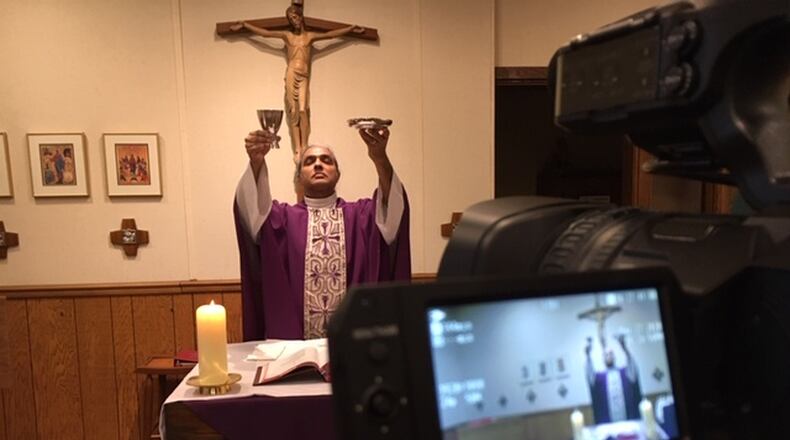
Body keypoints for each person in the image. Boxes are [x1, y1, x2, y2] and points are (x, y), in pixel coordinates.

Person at [233, 126, 410, 340]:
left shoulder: (361, 216)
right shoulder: (282, 220)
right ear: (299, 177)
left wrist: (379, 158)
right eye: (309, 162)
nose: (318, 164)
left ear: (337, 173)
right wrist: (256, 162)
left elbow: (393, 213)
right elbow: (251, 213)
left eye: (327, 160)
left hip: (351, 345)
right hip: (295, 348)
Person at [230, 3, 365, 165]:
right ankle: (298, 148)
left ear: (301, 18)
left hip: (304, 75)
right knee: (293, 111)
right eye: (291, 18)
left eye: (296, 17)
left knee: (303, 110)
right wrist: (246, 26)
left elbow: (330, 35)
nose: (295, 20)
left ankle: (304, 144)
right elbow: (266, 34)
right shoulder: (287, 37)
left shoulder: (310, 37)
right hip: (292, 73)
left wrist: (350, 29)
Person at [585, 334, 643, 423]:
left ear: (614, 356)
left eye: (611, 353)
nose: (608, 356)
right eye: (605, 355)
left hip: (628, 420)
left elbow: (633, 371)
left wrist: (625, 349)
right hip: (608, 422)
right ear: (603, 359)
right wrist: (588, 355)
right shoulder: (599, 377)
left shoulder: (625, 372)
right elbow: (590, 375)